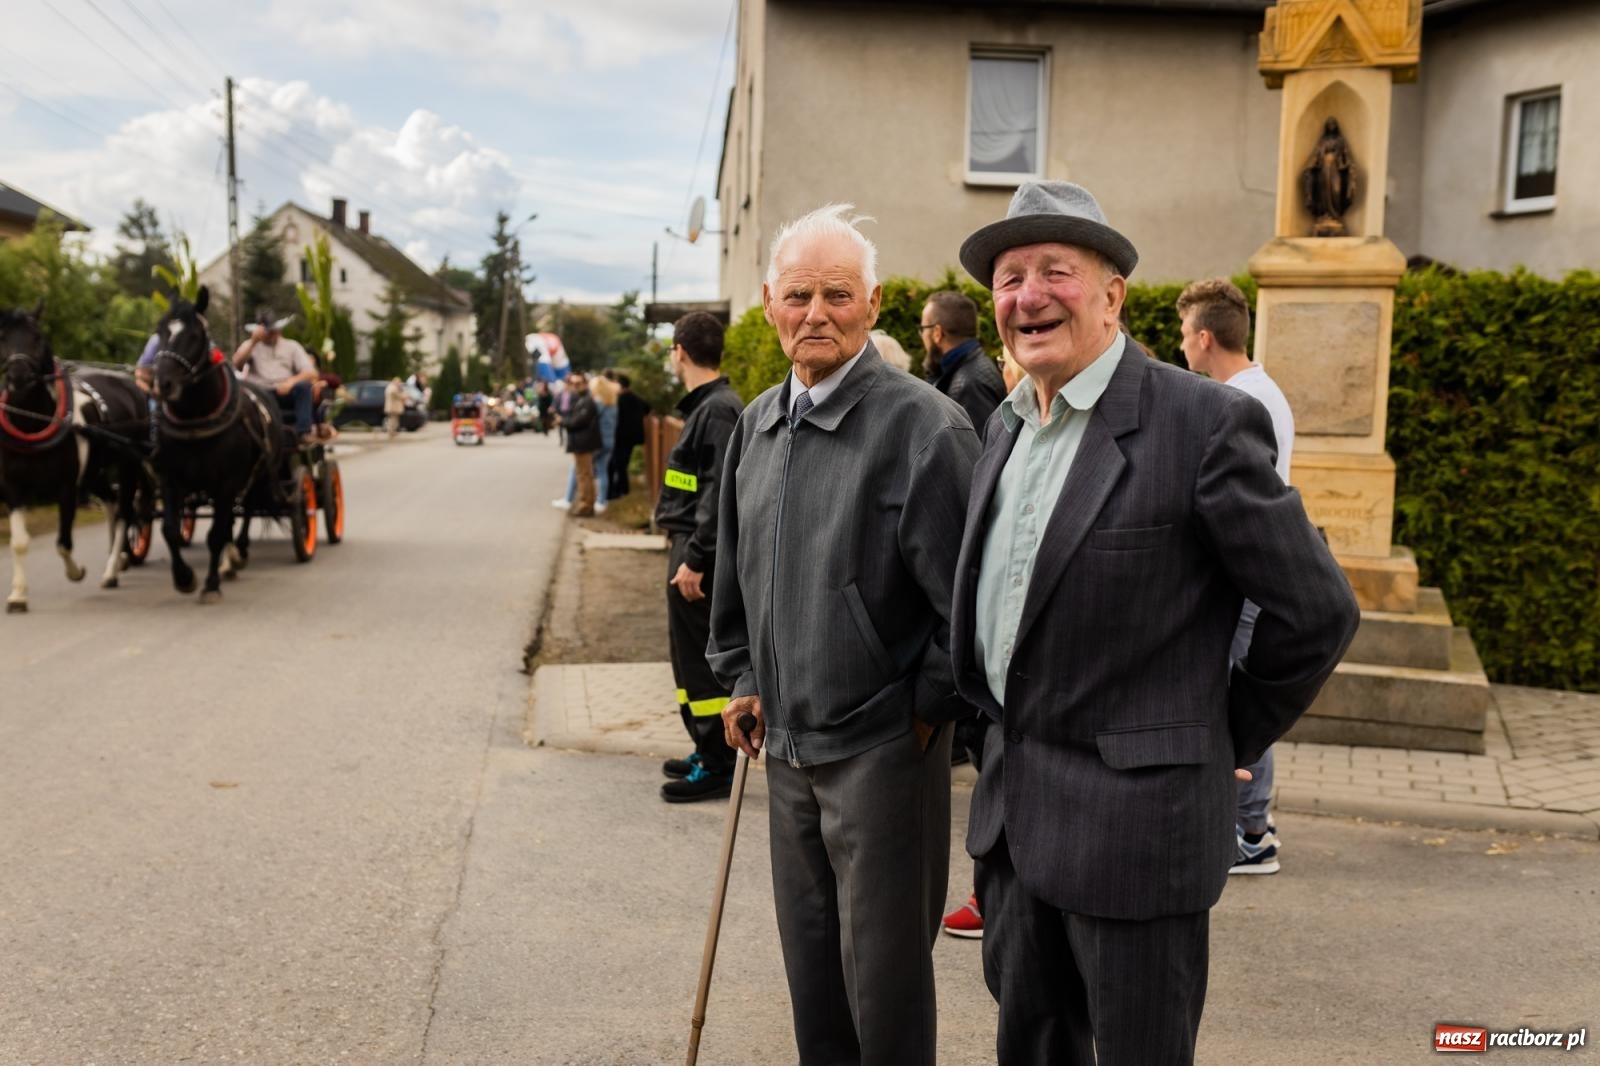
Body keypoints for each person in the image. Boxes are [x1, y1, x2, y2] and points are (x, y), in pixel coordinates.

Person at [951, 181, 1359, 1066]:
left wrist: (1226, 730)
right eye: (1010, 277)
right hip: (1014, 833)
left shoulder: (1203, 423)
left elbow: (1317, 609)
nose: (1028, 295)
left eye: (1056, 270)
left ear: (1112, 294)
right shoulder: (1006, 429)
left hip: (1138, 834)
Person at [708, 204, 980, 1065]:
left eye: (836, 294)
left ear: (873, 302)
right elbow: (735, 576)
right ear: (768, 305)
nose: (814, 313)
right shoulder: (755, 425)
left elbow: (967, 604)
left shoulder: (924, 427)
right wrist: (742, 675)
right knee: (813, 980)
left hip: (882, 751)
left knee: (885, 986)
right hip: (783, 747)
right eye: (798, 295)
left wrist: (925, 713)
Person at [1177, 277, 1297, 876]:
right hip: (1247, 576)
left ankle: (1251, 832)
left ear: (1204, 338)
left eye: (1182, 335)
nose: (1179, 349)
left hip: (1245, 578)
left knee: (1239, 698)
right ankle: (1250, 824)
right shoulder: (1257, 389)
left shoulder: (1242, 401)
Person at [654, 312, 744, 803]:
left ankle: (717, 762)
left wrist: (697, 557)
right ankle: (703, 746)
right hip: (688, 547)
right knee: (686, 662)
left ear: (680, 352)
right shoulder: (707, 408)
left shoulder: (717, 410)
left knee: (702, 664)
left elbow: (717, 492)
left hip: (695, 556)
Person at [921, 289, 1006, 430]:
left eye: (923, 328)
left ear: (937, 333)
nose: (922, 335)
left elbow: (977, 449)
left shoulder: (969, 385)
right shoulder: (966, 370)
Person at [233, 310, 320, 445]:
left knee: (304, 387)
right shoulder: (250, 345)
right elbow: (237, 364)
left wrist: (291, 382)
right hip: (260, 394)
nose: (272, 334)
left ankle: (303, 432)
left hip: (284, 391)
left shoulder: (292, 346)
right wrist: (253, 342)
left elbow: (311, 372)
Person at [560, 372, 599, 516]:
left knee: (584, 475)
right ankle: (587, 503)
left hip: (584, 443)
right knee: (583, 474)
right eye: (572, 384)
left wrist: (563, 422)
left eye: (577, 384)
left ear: (584, 384)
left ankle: (586, 505)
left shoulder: (587, 400)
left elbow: (579, 421)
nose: (574, 387)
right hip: (581, 442)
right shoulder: (580, 399)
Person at [608, 371, 648, 500]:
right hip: (631, 438)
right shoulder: (635, 398)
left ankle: (620, 490)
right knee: (621, 464)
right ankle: (621, 489)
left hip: (621, 438)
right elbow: (648, 408)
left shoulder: (619, 400)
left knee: (617, 464)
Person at [589, 374, 619, 514]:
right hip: (610, 440)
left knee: (584, 469)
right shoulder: (612, 402)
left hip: (597, 441)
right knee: (603, 471)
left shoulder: (598, 403)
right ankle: (602, 500)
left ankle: (592, 500)